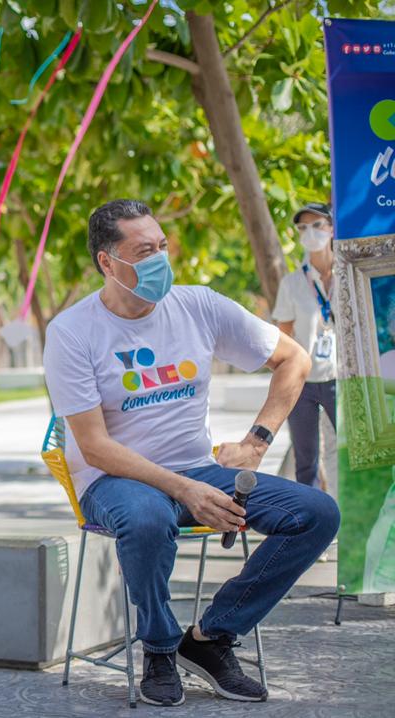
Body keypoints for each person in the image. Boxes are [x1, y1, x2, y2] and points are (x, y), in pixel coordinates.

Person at [43, 199, 338, 707]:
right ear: (108, 263)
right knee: (149, 519)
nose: (160, 259)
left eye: (161, 246)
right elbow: (93, 445)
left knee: (316, 513)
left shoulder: (199, 305)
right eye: (144, 251)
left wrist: (255, 442)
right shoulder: (72, 332)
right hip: (114, 480)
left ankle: (209, 639)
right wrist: (184, 489)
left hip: (200, 470)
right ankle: (158, 647)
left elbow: (294, 359)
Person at [271, 202, 336, 490]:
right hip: (304, 381)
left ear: (332, 228)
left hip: (342, 377)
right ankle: (313, 525)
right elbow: (282, 338)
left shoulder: (349, 275)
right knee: (306, 458)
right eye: (303, 227)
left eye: (318, 225)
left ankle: (351, 522)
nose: (311, 232)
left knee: (346, 452)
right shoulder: (292, 283)